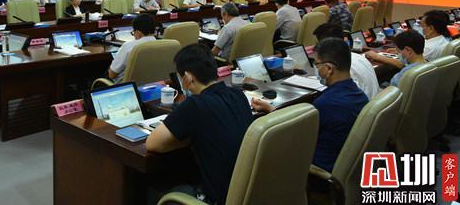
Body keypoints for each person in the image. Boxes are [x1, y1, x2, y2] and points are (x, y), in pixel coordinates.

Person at [147, 44, 253, 205]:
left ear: (187, 77)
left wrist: (187, 139)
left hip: (218, 198)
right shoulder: (238, 94)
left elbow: (152, 143)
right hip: (246, 191)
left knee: (150, 192)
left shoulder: (194, 105)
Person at [253, 38, 368, 172]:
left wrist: (271, 113)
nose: (316, 69)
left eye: (317, 64)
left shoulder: (326, 104)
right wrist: (271, 109)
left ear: (329, 68)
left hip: (317, 171)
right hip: (347, 166)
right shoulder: (360, 96)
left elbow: (291, 135)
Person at [313, 23, 380, 99]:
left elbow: (351, 98)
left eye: (317, 43)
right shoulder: (359, 57)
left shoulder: (339, 69)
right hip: (373, 102)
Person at [107, 14, 157, 82]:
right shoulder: (162, 44)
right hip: (153, 83)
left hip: (129, 86)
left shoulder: (129, 46)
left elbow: (112, 75)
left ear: (138, 33)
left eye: (133, 33)